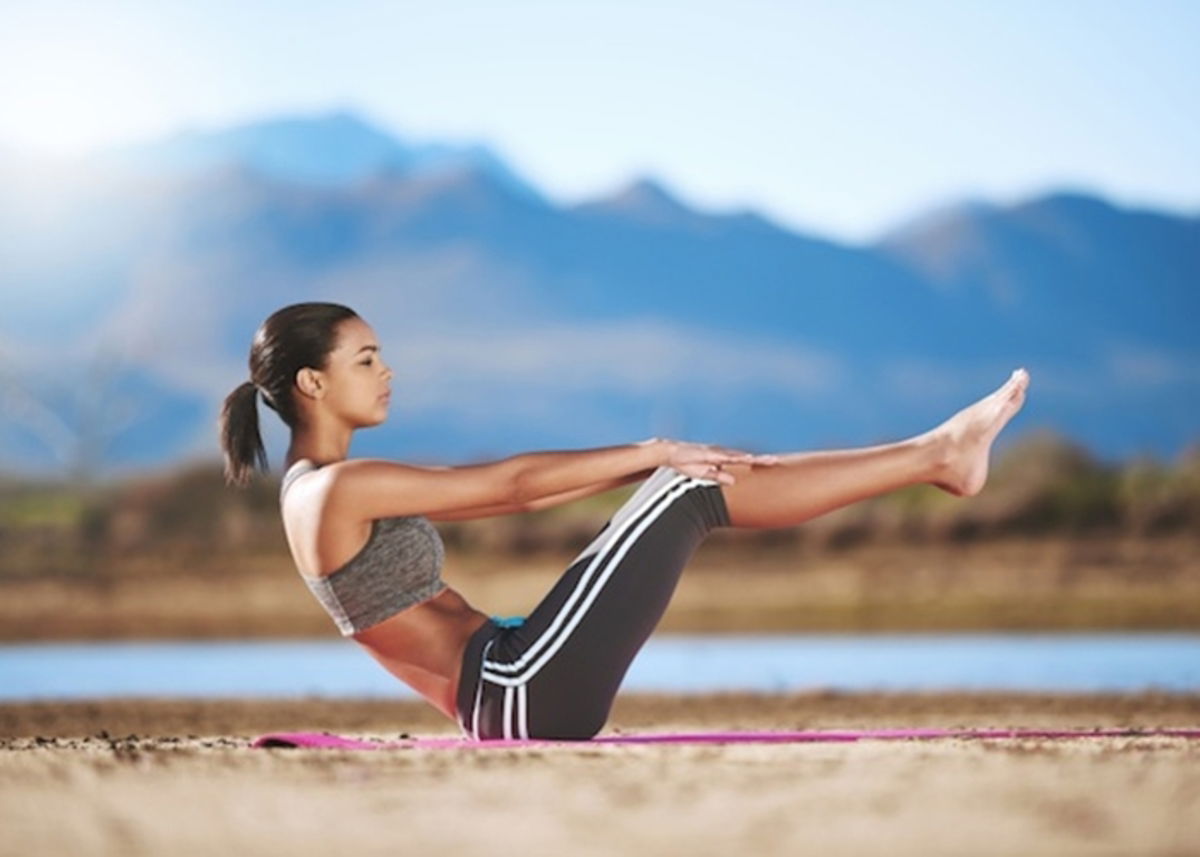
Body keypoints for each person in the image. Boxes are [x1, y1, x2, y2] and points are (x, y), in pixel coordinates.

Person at [219, 301, 1030, 741]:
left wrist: (648, 462)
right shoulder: (330, 492)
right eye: (364, 358)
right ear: (311, 385)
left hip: (511, 688)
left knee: (683, 480)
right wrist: (650, 450)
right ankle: (937, 456)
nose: (386, 369)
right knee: (687, 486)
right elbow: (509, 484)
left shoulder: (321, 487)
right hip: (517, 688)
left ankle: (934, 454)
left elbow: (526, 494)